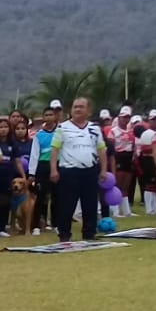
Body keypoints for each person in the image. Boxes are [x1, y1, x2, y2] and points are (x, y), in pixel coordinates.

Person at [49, 97, 107, 243]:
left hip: (90, 171)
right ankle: (64, 234)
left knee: (90, 204)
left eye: (81, 107)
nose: (78, 109)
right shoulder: (62, 128)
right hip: (69, 172)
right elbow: (55, 149)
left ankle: (89, 233)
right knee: (66, 205)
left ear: (88, 110)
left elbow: (101, 150)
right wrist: (53, 170)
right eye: (75, 107)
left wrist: (103, 170)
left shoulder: (95, 129)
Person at [27, 102, 61, 232]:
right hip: (43, 166)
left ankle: (56, 223)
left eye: (51, 115)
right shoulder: (39, 135)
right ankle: (36, 225)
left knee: (57, 196)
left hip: (57, 165)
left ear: (55, 116)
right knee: (40, 196)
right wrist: (32, 173)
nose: (49, 117)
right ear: (43, 117)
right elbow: (34, 154)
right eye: (46, 115)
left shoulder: (60, 132)